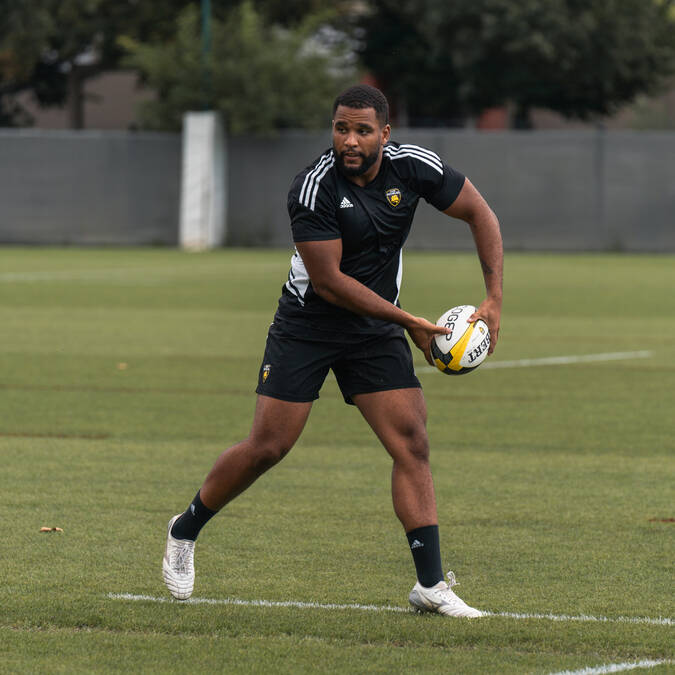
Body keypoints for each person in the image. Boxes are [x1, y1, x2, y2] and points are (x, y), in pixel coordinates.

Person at [163, 84, 503, 618]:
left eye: (362, 130)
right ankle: (185, 529)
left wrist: (494, 299)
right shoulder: (313, 188)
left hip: (373, 330)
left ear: (384, 134)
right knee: (269, 446)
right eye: (341, 128)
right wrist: (410, 321)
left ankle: (431, 585)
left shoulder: (413, 167)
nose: (349, 140)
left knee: (411, 442)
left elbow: (480, 214)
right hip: (309, 325)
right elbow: (329, 283)